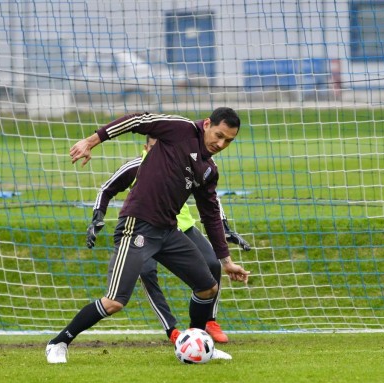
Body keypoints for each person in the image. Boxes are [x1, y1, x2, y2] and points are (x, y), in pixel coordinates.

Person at [46, 107, 250, 364]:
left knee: (208, 287)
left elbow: (210, 214)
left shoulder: (208, 169)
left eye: (228, 141)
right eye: (218, 135)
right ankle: (59, 342)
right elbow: (137, 120)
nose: (221, 143)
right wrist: (91, 140)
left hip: (168, 231)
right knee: (115, 302)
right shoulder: (180, 129)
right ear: (207, 123)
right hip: (137, 226)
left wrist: (226, 260)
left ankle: (200, 342)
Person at [86, 135, 251, 344]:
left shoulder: (181, 163)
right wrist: (96, 218)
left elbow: (210, 199)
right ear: (146, 147)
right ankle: (171, 330)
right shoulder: (137, 166)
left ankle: (209, 321)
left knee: (212, 263)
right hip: (145, 230)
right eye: (154, 147)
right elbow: (106, 188)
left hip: (180, 226)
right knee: (146, 272)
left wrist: (224, 228)